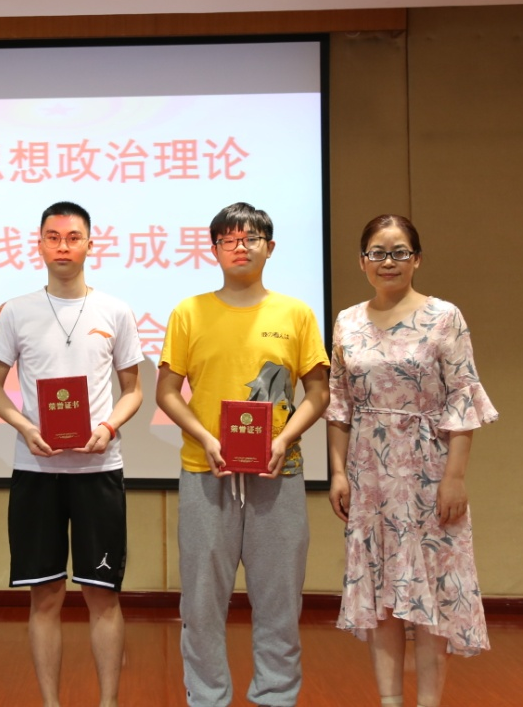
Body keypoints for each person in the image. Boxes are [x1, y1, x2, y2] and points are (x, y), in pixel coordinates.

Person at [156, 202, 329, 707]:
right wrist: (205, 438)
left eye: (251, 238)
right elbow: (167, 392)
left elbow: (319, 392)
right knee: (201, 603)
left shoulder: (295, 313)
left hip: (278, 473)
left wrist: (283, 439)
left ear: (269, 248)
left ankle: (276, 696)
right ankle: (206, 698)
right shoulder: (189, 312)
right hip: (205, 472)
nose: (240, 247)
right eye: (228, 239)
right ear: (214, 249)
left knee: (279, 601)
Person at [325, 214, 496, 707]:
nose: (389, 262)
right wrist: (337, 472)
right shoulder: (347, 321)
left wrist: (454, 477)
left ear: (417, 259)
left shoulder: (444, 316)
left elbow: (463, 397)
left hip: (428, 471)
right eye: (377, 252)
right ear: (362, 262)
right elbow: (339, 404)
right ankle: (389, 700)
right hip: (369, 474)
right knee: (381, 595)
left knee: (431, 594)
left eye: (399, 252)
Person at [0, 201, 144, 707]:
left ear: (90, 244)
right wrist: (25, 427)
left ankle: (108, 702)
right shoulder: (16, 311)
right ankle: (50, 703)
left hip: (99, 469)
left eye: (73, 237)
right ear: (39, 244)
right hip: (37, 470)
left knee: (103, 595)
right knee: (45, 595)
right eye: (53, 237)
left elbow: (134, 390)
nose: (63, 247)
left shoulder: (115, 310)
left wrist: (109, 426)